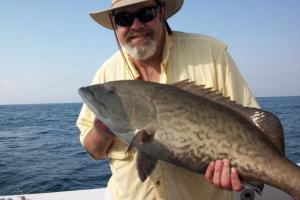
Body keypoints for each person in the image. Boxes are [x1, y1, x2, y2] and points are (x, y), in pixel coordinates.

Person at [77, 0, 260, 199]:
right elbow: (94, 151)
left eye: (146, 13)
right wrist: (102, 129)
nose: (136, 25)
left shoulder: (211, 54)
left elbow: (255, 128)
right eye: (124, 18)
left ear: (161, 12)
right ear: (115, 26)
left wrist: (242, 172)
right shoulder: (106, 75)